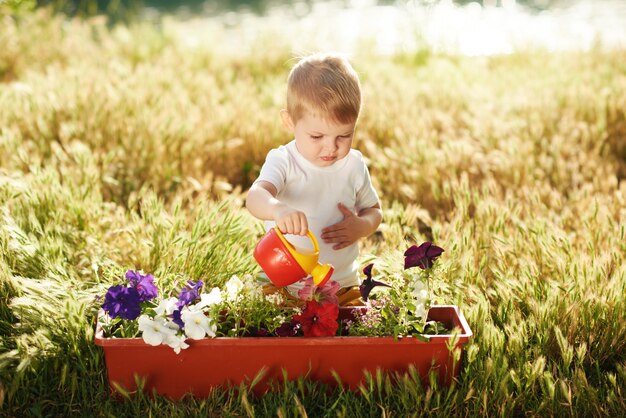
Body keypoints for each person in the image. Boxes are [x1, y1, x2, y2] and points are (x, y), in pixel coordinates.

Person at [245, 52, 382, 306]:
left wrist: (361, 226)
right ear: (289, 122)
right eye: (317, 137)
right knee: (265, 318)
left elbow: (373, 210)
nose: (331, 148)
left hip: (341, 285)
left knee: (358, 321)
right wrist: (278, 209)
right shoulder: (284, 160)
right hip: (282, 283)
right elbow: (255, 197)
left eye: (344, 135)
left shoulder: (353, 165)